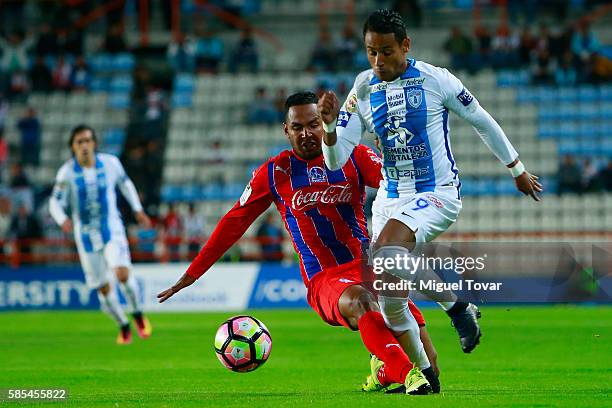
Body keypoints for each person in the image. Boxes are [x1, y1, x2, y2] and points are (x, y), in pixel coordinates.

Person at [157, 92, 440, 395]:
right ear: (286, 130)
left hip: (370, 267)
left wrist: (395, 160)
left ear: (325, 123)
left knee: (433, 368)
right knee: (361, 302)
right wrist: (191, 275)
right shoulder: (275, 172)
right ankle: (408, 375)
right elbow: (233, 223)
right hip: (326, 277)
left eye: (313, 124)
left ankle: (385, 371)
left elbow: (398, 185)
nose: (307, 134)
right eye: (298, 127)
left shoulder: (354, 155)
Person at [318, 9, 542, 365]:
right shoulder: (362, 87)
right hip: (390, 199)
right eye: (371, 51)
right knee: (390, 294)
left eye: (387, 51)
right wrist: (329, 129)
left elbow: (481, 120)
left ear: (406, 45)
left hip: (435, 193)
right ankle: (426, 373)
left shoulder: (437, 80)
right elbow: (334, 160)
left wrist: (516, 168)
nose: (378, 60)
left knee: (388, 250)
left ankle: (455, 306)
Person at [49, 125, 153, 345]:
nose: (84, 145)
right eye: (79, 142)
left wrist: (137, 209)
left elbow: (126, 185)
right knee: (104, 289)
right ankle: (123, 325)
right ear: (73, 147)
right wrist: (62, 219)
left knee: (122, 274)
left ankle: (137, 314)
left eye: (88, 140)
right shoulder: (66, 172)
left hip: (112, 228)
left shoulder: (110, 163)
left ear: (94, 143)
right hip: (85, 236)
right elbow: (54, 202)